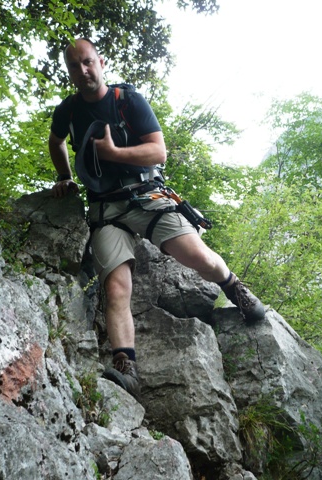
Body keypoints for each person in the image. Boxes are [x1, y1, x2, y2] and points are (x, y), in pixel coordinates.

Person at [49, 38, 265, 399]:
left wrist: (115, 152)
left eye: (88, 63)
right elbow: (56, 143)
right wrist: (64, 176)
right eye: (75, 66)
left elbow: (157, 150)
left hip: (145, 195)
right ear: (69, 71)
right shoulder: (68, 111)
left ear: (101, 62)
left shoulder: (127, 100)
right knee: (116, 287)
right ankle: (126, 367)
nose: (83, 71)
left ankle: (234, 288)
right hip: (105, 209)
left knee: (199, 257)